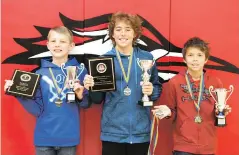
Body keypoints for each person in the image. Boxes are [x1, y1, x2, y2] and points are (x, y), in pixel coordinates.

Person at [4, 26, 91, 155]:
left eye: (62, 41)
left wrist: (80, 96)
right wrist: (17, 93)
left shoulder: (80, 71)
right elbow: (36, 110)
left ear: (71, 46)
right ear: (48, 45)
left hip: (69, 139)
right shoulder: (39, 74)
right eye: (54, 41)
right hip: (44, 139)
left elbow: (86, 104)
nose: (57, 45)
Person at [84, 12, 161, 155]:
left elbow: (156, 88)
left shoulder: (147, 58)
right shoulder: (104, 61)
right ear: (112, 34)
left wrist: (152, 91)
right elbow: (97, 99)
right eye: (118, 29)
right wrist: (91, 87)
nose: (123, 33)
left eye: (128, 29)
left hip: (140, 132)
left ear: (135, 33)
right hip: (112, 132)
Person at [152, 37, 232, 155]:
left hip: (208, 146)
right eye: (190, 55)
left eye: (199, 55)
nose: (195, 59)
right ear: (184, 59)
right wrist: (168, 112)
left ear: (206, 59)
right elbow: (172, 112)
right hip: (183, 146)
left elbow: (217, 113)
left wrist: (221, 112)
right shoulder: (175, 82)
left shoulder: (215, 82)